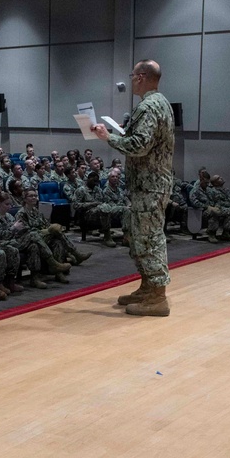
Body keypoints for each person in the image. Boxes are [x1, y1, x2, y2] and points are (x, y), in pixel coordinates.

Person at [92, 59, 174, 317]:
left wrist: (109, 137)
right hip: (149, 184)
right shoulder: (162, 103)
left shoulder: (149, 107)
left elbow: (140, 145)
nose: (130, 80)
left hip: (150, 186)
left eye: (132, 75)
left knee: (149, 238)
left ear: (140, 77)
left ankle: (158, 297)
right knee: (141, 236)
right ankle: (148, 287)